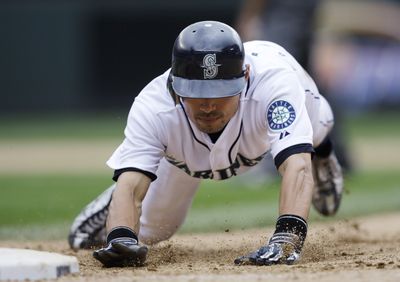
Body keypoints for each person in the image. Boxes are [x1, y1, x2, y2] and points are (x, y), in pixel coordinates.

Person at [68, 20, 343, 267]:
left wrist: (287, 237)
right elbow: (130, 185)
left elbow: (296, 166)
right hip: (183, 157)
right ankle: (111, 204)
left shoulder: (275, 84)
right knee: (153, 231)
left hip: (280, 110)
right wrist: (121, 236)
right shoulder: (153, 107)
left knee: (318, 128)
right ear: (175, 86)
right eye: (197, 93)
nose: (209, 105)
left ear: (245, 77)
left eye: (220, 92)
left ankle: (324, 153)